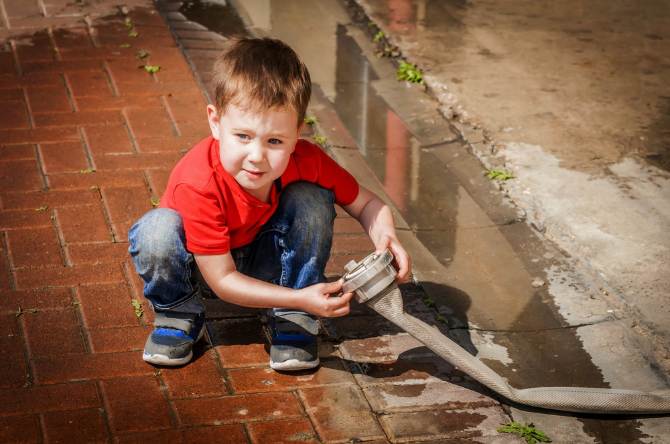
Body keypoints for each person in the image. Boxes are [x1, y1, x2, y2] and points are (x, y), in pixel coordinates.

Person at [128, 36, 411, 371]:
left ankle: (294, 316)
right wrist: (300, 296)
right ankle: (178, 310)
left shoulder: (307, 159)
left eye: (275, 140)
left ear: (297, 133)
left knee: (312, 198)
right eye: (243, 136)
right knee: (156, 230)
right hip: (203, 270)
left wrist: (386, 237)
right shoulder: (198, 182)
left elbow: (368, 204)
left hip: (265, 260)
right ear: (215, 122)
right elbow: (222, 280)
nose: (257, 156)